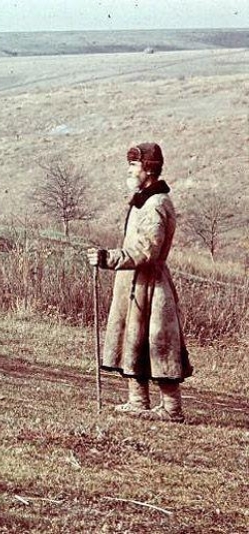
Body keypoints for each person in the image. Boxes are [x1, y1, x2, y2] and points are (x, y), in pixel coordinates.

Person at [87, 142, 193, 423]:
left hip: (151, 285)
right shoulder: (143, 199)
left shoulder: (156, 203)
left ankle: (171, 409)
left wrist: (109, 258)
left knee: (158, 343)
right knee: (133, 342)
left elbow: (148, 249)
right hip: (133, 283)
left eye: (134, 165)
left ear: (148, 168)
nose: (130, 170)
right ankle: (138, 402)